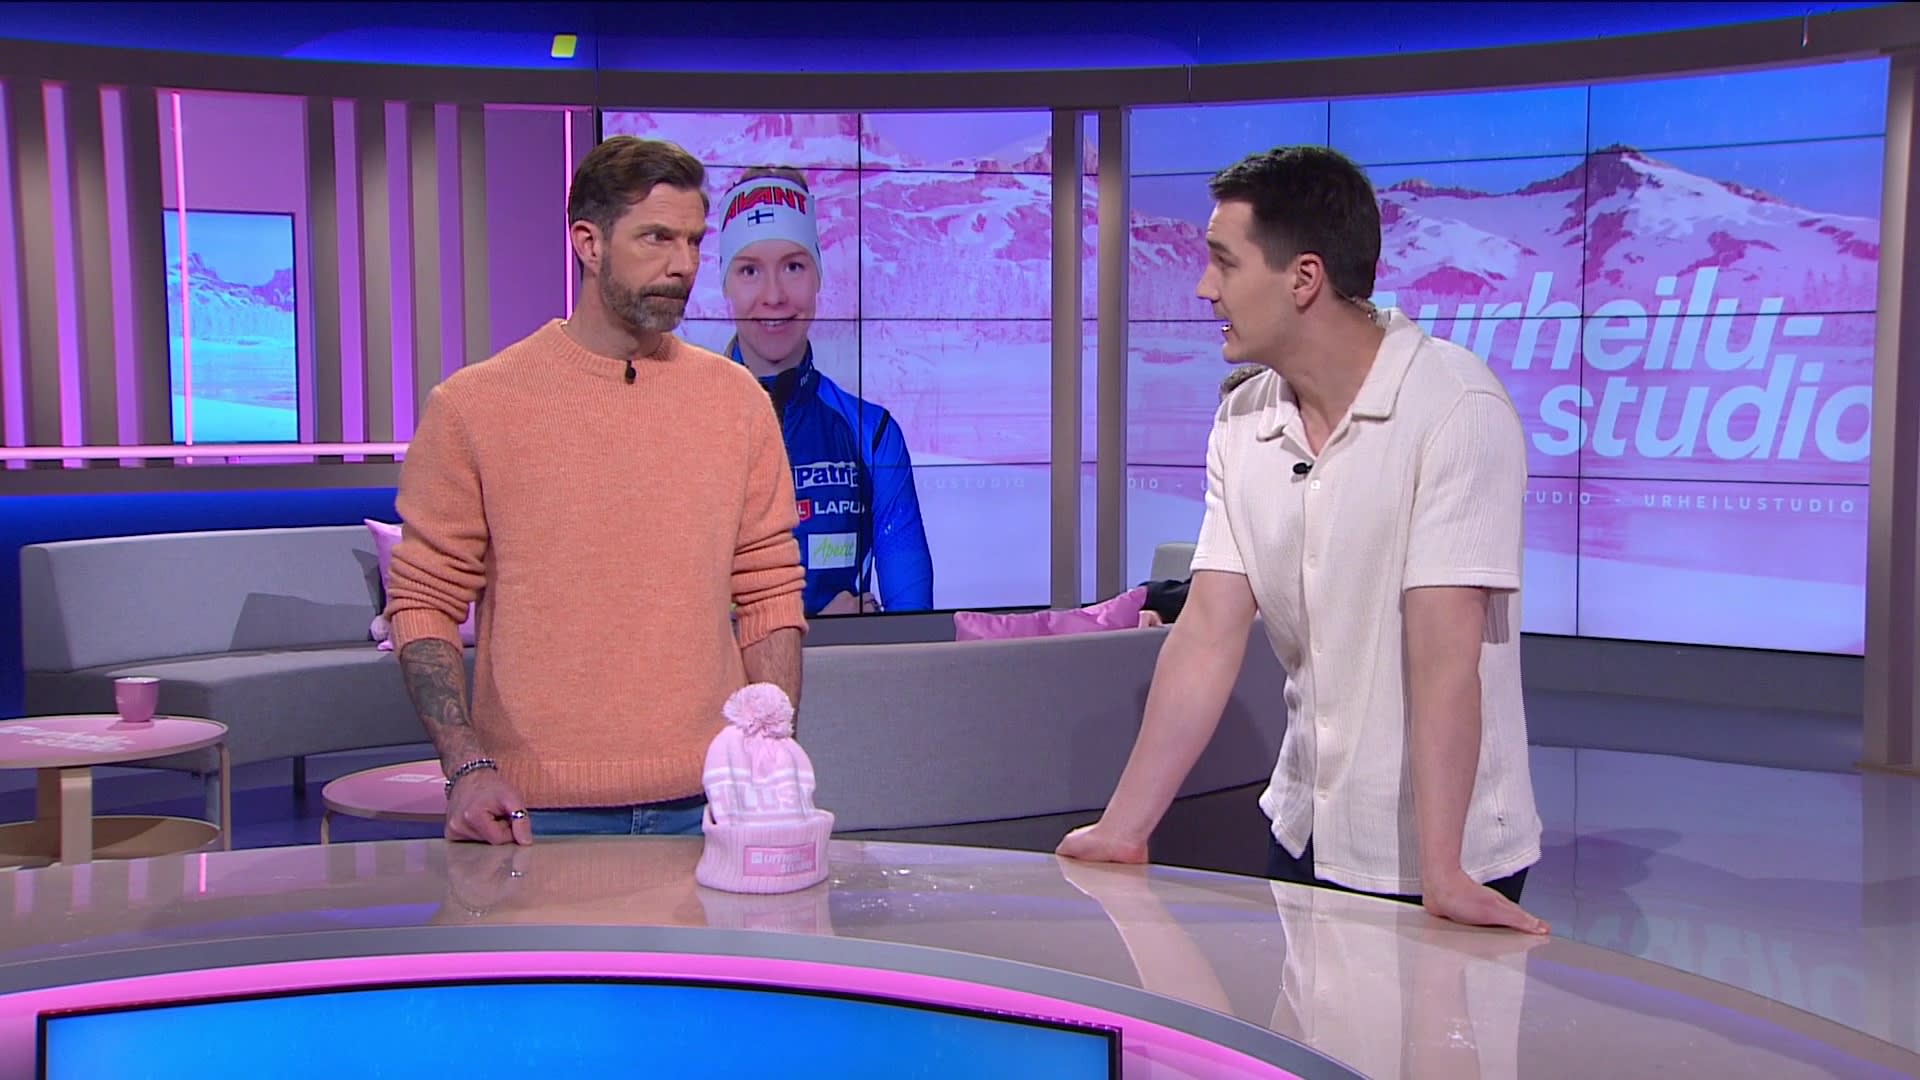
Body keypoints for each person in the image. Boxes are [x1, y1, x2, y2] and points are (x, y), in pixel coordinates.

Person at [1057, 146, 1548, 934]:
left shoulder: (1456, 408)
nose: (1204, 287)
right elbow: (1208, 632)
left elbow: (1444, 652)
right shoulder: (1242, 418)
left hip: (1438, 859)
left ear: (1304, 278)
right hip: (1303, 831)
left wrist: (1444, 873)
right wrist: (1124, 828)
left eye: (1224, 262)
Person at [383, 136, 808, 845]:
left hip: (713, 800)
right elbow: (424, 602)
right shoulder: (475, 406)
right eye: (657, 238)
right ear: (588, 242)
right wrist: (466, 766)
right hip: (536, 812)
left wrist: (771, 757)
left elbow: (769, 589)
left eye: (694, 241)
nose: (683, 265)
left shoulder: (736, 401)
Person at [715, 165, 934, 617]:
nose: (774, 295)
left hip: (846, 671)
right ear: (726, 284)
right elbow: (661, 622)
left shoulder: (872, 434)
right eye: (750, 270)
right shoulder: (682, 430)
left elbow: (914, 625)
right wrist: (817, 627)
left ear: (817, 277)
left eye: (793, 267)